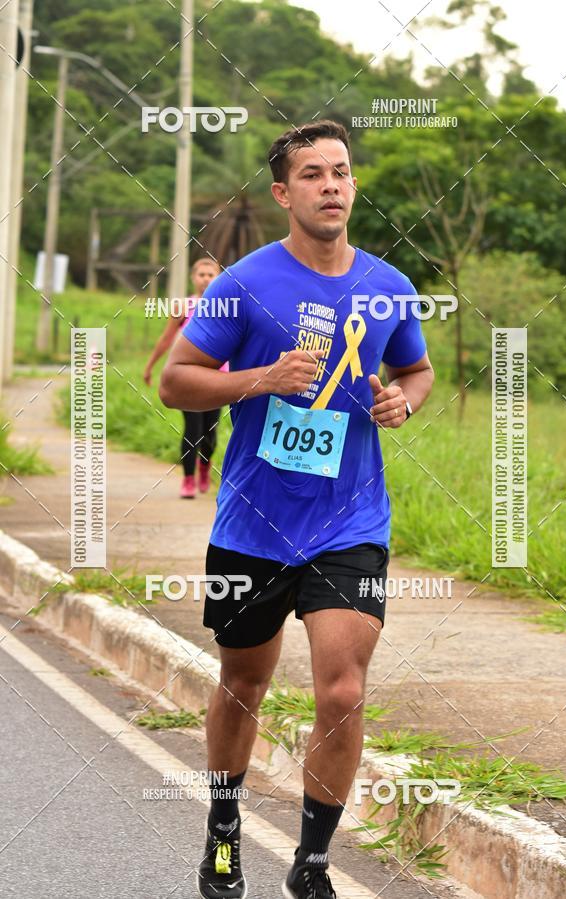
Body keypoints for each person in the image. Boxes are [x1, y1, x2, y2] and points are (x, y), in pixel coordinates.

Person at [160, 120, 434, 899]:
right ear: (284, 193)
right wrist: (261, 378)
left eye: (341, 172)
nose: (332, 186)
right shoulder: (243, 283)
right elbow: (178, 381)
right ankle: (223, 828)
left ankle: (312, 864)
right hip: (252, 522)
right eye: (312, 175)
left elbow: (416, 370)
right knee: (243, 679)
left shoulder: (388, 285)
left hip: (350, 521)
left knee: (342, 691)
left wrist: (400, 405)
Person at [144, 257, 224, 498]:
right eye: (201, 274)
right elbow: (166, 339)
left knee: (210, 431)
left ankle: (204, 467)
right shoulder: (182, 307)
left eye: (211, 274)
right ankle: (188, 479)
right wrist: (150, 366)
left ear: (218, 277)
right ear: (193, 278)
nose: (206, 279)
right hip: (188, 378)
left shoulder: (226, 307)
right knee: (193, 428)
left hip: (218, 380)